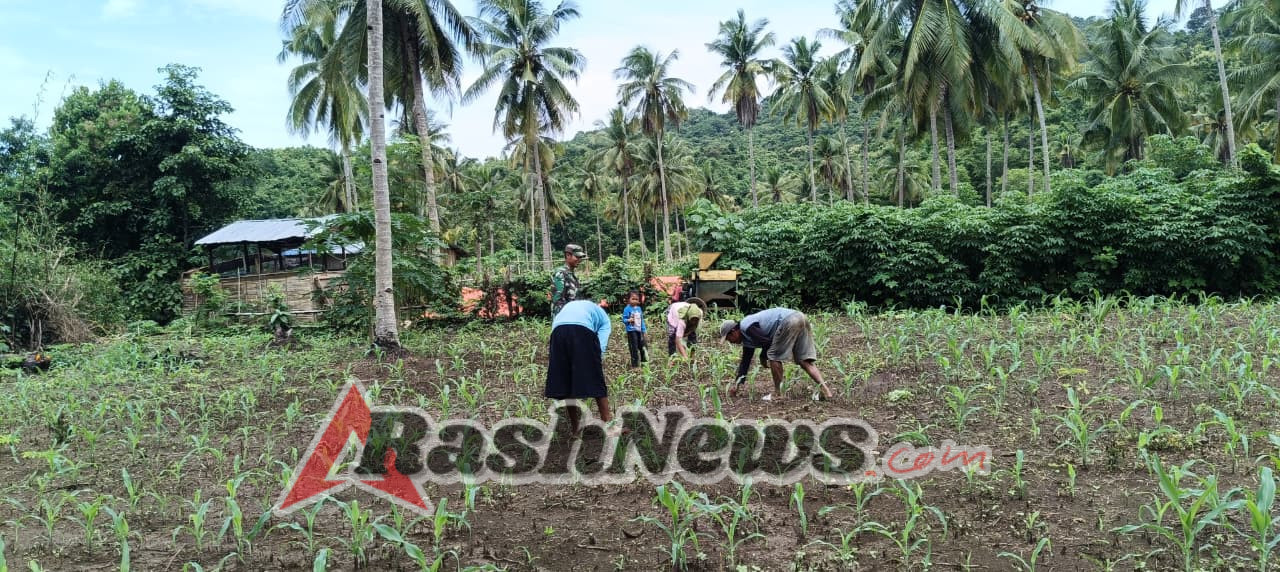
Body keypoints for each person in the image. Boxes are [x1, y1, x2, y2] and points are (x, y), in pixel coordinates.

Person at [719, 308, 834, 401]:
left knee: (773, 357)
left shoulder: (747, 326)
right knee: (804, 360)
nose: (731, 342)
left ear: (733, 331)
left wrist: (763, 356)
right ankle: (826, 391)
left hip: (788, 321)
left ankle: (778, 394)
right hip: (800, 317)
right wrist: (737, 385)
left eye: (729, 339)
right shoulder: (746, 335)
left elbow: (767, 342)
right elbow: (745, 362)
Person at [545, 299, 622, 436]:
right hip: (581, 329)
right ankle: (609, 424)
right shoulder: (605, 319)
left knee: (566, 381)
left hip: (557, 331)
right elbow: (601, 346)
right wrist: (595, 361)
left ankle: (576, 429)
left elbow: (557, 328)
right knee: (596, 377)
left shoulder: (573, 306)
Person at [551, 244, 588, 317]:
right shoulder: (560, 273)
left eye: (580, 257)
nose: (579, 260)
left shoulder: (571, 274)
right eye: (577, 257)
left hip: (572, 316)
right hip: (563, 317)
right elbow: (558, 301)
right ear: (568, 255)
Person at [622, 290, 648, 368]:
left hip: (639, 330)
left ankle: (644, 363)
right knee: (634, 348)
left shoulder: (639, 308)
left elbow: (642, 320)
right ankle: (635, 366)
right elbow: (624, 320)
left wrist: (644, 330)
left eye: (636, 299)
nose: (635, 301)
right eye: (633, 299)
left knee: (643, 346)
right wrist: (629, 320)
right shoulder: (627, 309)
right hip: (631, 331)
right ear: (628, 299)